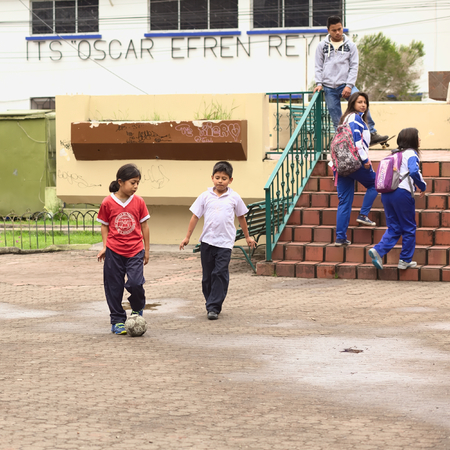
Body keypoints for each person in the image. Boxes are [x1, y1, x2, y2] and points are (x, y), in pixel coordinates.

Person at [179, 161, 256, 320]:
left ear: (230, 180)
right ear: (212, 178)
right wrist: (187, 237)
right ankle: (210, 302)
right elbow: (195, 216)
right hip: (207, 242)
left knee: (219, 273)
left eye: (224, 178)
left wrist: (247, 237)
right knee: (208, 276)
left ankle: (214, 306)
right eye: (217, 177)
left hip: (225, 243)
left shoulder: (234, 197)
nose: (220, 181)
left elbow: (241, 217)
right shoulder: (205, 196)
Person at [313, 15, 388, 146]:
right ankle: (344, 141)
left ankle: (371, 133)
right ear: (328, 30)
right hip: (329, 87)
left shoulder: (350, 46)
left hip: (345, 84)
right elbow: (318, 66)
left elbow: (354, 66)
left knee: (361, 103)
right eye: (334, 30)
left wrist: (349, 85)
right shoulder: (321, 46)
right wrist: (319, 83)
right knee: (337, 118)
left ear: (342, 28)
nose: (337, 32)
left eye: (339, 29)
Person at [97, 164, 150, 335]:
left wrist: (146, 250)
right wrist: (105, 246)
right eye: (132, 182)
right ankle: (117, 320)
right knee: (114, 287)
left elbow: (145, 226)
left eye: (137, 183)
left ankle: (136, 309)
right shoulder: (107, 202)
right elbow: (104, 226)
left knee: (135, 283)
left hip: (135, 250)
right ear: (120, 182)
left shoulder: (139, 202)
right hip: (114, 251)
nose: (135, 186)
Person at [369, 128, 427, 270]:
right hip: (402, 193)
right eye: (417, 137)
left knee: (394, 227)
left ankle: (378, 250)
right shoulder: (411, 154)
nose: (419, 140)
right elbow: (414, 171)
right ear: (412, 140)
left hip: (387, 193)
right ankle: (405, 260)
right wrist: (423, 186)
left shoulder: (394, 154)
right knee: (409, 227)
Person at [335, 92, 378, 246]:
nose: (363, 105)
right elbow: (357, 142)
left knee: (345, 202)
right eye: (359, 102)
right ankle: (363, 215)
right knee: (375, 184)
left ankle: (340, 237)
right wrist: (365, 160)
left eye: (365, 102)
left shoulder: (346, 119)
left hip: (342, 164)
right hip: (356, 161)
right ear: (352, 103)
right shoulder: (355, 119)